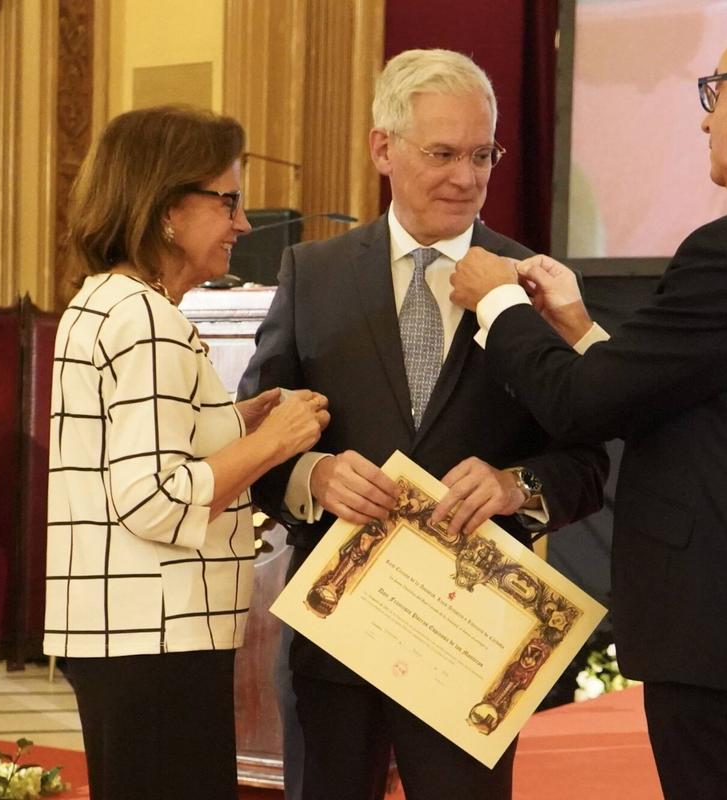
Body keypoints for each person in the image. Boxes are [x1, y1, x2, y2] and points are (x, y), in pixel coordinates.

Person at [450, 5, 727, 799]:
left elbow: (585, 409)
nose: (703, 122)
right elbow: (680, 394)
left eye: (711, 91)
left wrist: (499, 306)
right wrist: (583, 327)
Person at [237, 49, 609, 800]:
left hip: (470, 646)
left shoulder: (531, 283)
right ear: (383, 148)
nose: (467, 177)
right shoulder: (313, 274)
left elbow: (590, 460)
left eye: (482, 155)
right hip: (334, 643)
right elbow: (257, 442)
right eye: (442, 153)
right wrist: (314, 475)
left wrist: (516, 486)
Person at [43, 105, 330, 800]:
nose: (243, 224)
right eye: (228, 200)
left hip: (121, 631)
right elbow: (153, 499)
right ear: (169, 208)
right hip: (158, 636)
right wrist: (273, 443)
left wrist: (235, 421)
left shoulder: (105, 300)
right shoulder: (147, 320)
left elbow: (132, 451)